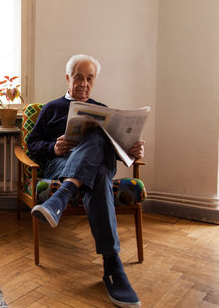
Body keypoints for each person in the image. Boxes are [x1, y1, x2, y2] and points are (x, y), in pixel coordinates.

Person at [27, 54, 145, 308]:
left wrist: (133, 152)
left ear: (94, 81)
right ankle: (113, 266)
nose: (84, 83)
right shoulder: (52, 108)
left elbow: (116, 149)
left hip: (93, 164)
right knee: (100, 175)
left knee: (98, 139)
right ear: (68, 78)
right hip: (62, 164)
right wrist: (53, 148)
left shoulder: (102, 109)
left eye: (89, 78)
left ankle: (62, 196)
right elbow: (32, 144)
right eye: (79, 77)